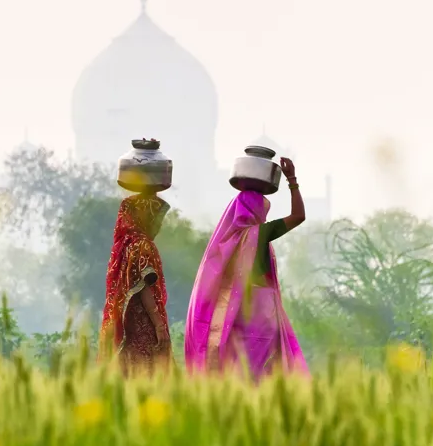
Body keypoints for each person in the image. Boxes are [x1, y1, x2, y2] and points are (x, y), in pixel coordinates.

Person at [184, 157, 308, 381]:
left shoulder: (224, 244)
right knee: (263, 377)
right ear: (256, 211)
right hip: (262, 319)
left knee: (235, 375)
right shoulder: (259, 234)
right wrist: (292, 180)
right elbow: (299, 216)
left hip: (234, 321)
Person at [99, 192, 173, 376]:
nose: (158, 224)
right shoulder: (142, 245)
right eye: (155, 217)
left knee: (126, 373)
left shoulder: (125, 245)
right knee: (150, 373)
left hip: (127, 325)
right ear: (144, 215)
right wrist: (158, 325)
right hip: (144, 323)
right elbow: (145, 286)